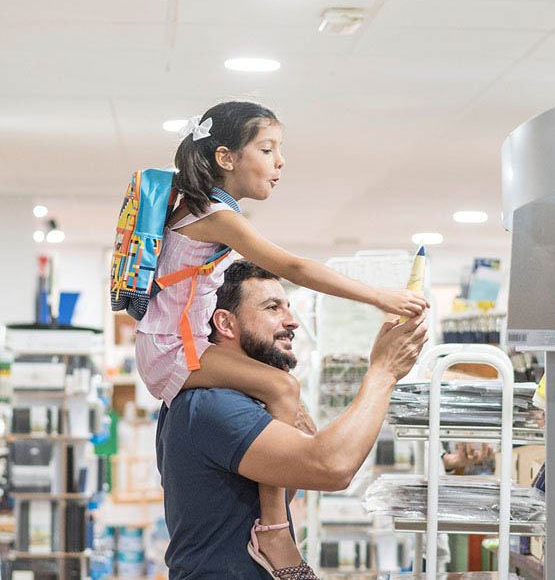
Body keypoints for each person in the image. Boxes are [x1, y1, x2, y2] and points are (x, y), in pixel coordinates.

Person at [135, 101, 429, 576]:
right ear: (227, 158)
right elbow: (294, 267)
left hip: (175, 345)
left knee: (283, 393)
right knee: (284, 387)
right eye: (267, 149)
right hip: (175, 351)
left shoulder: (199, 209)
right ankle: (275, 532)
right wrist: (378, 296)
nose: (280, 162)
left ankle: (275, 529)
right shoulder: (215, 215)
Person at [156, 260, 429, 579]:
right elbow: (332, 467)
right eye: (273, 308)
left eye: (288, 307)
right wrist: (383, 372)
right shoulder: (214, 404)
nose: (292, 321)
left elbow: (289, 482)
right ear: (226, 324)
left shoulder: (241, 399)